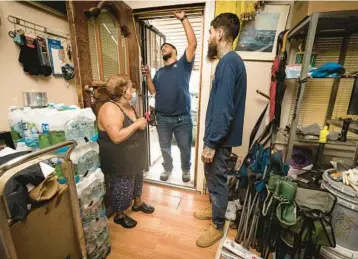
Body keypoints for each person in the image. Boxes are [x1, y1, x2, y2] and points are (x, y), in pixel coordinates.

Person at [194, 13, 247, 248]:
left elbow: (224, 110)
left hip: (220, 138)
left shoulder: (229, 64)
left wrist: (211, 143)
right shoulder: (230, 62)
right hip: (219, 136)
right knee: (213, 178)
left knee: (217, 181)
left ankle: (217, 224)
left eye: (210, 33)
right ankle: (216, 208)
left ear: (220, 34)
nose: (208, 39)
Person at [141, 10, 197, 183]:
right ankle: (167, 168)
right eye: (162, 48)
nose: (163, 48)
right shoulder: (160, 72)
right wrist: (148, 76)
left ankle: (186, 170)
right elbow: (153, 91)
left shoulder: (183, 65)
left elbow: (193, 44)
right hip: (163, 119)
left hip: (182, 119)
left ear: (174, 50)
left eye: (166, 46)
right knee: (165, 147)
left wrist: (184, 19)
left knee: (185, 148)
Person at [98, 74, 155, 229]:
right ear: (123, 91)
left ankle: (137, 203)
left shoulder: (128, 105)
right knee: (122, 186)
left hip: (134, 156)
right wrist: (136, 125)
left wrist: (142, 121)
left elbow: (130, 125)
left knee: (137, 178)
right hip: (119, 159)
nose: (134, 91)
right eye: (131, 88)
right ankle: (119, 215)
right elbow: (116, 137)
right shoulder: (110, 109)